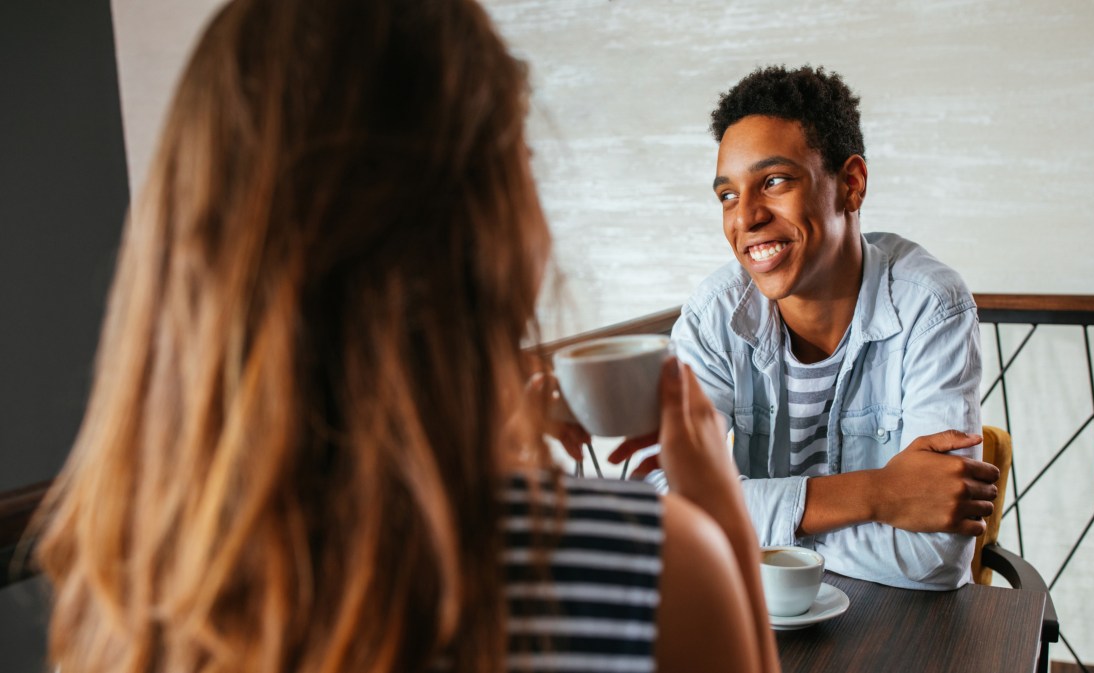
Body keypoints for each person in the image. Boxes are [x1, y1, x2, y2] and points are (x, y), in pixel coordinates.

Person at [32, 1, 779, 672]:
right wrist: (722, 527)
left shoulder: (126, 582)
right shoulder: (650, 572)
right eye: (524, 163)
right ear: (496, 235)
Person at [614, 65, 1000, 591]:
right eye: (728, 194)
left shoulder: (930, 306)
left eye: (774, 181)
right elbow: (657, 507)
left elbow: (933, 558)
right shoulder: (713, 315)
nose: (745, 217)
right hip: (766, 624)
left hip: (894, 632)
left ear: (852, 184)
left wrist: (745, 528)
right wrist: (878, 495)